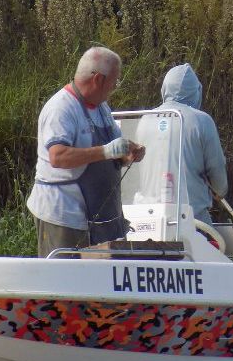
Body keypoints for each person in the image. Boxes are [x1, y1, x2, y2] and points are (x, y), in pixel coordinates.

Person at [27, 47, 145, 257]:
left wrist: (128, 155)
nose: (114, 87)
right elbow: (58, 156)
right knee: (66, 282)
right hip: (65, 217)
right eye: (114, 81)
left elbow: (113, 151)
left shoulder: (102, 108)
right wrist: (106, 151)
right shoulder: (60, 109)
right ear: (98, 79)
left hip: (99, 219)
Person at [135, 63, 228, 225]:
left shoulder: (145, 119)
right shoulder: (202, 121)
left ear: (164, 89)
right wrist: (220, 191)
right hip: (190, 219)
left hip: (146, 218)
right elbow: (217, 169)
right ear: (196, 91)